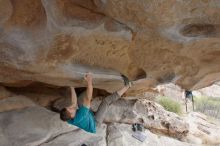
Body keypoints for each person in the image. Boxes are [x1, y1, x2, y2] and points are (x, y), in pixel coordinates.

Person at [60, 72, 131, 133]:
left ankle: (91, 92)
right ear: (72, 115)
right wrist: (89, 80)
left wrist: (72, 87)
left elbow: (73, 102)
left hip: (88, 117)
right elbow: (88, 98)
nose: (71, 106)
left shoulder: (67, 118)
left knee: (79, 99)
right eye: (70, 108)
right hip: (95, 123)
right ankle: (127, 86)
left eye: (68, 107)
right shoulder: (81, 115)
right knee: (106, 101)